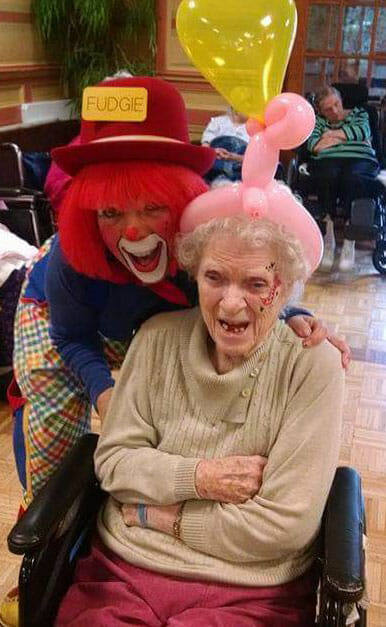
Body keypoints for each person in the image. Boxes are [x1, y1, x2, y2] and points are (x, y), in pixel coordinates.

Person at [56, 203, 344, 625]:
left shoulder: (311, 366)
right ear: (194, 276)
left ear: (284, 291)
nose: (230, 303)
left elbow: (282, 528)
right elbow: (116, 464)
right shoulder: (155, 339)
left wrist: (154, 514)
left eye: (256, 283)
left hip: (250, 588)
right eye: (214, 277)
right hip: (123, 571)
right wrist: (200, 477)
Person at [307, 85, 380, 272]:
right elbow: (314, 145)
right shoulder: (318, 121)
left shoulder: (360, 113)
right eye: (328, 109)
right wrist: (348, 137)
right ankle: (329, 236)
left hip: (361, 159)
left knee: (354, 177)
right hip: (328, 161)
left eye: (336, 105)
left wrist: (331, 135)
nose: (335, 111)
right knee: (327, 176)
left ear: (341, 100)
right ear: (320, 111)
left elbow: (363, 132)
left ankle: (349, 239)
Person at [201, 106, 249, 186]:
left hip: (239, 169)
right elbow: (205, 147)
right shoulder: (217, 122)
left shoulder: (254, 129)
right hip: (214, 162)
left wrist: (234, 157)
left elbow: (253, 160)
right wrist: (214, 152)